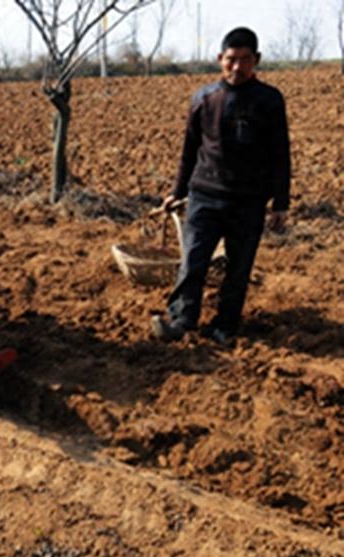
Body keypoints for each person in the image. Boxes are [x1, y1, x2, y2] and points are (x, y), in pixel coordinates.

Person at [151, 27, 291, 345]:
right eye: (231, 60)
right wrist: (178, 191)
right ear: (220, 60)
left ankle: (225, 326)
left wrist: (280, 202)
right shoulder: (203, 98)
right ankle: (182, 320)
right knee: (192, 262)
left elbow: (280, 152)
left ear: (256, 60)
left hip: (249, 199)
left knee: (238, 269)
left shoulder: (269, 100)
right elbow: (189, 149)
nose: (237, 67)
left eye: (245, 60)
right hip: (205, 194)